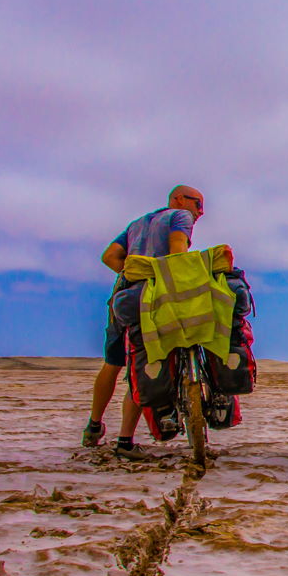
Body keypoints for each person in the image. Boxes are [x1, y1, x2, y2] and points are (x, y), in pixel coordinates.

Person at [83, 184, 205, 458]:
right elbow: (177, 254)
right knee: (141, 365)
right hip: (152, 298)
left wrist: (132, 274)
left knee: (112, 363)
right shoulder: (179, 216)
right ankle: (124, 441)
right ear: (178, 199)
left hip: (122, 297)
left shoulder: (138, 223)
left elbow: (109, 256)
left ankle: (93, 427)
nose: (200, 212)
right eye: (197, 204)